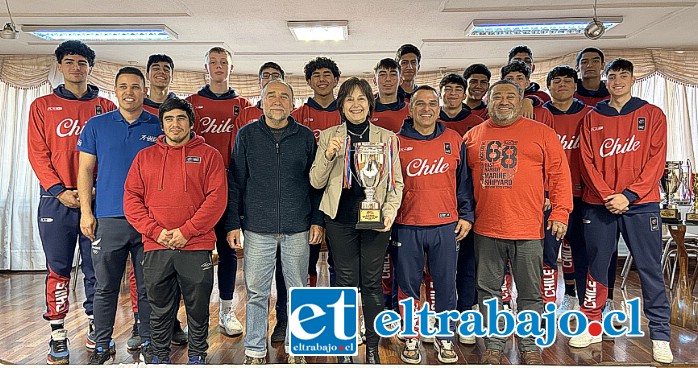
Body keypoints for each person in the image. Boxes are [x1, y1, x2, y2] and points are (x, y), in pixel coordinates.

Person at [463, 80, 572, 365]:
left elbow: (560, 176)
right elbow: (460, 184)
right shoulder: (472, 137)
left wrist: (561, 212)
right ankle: (494, 345)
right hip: (486, 228)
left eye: (510, 96)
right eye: (497, 96)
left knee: (530, 292)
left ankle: (529, 345)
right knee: (487, 291)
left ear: (522, 100)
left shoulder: (542, 134)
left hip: (529, 229)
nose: (503, 101)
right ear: (488, 100)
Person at [572, 58, 673, 364]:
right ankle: (592, 324)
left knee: (650, 269)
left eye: (622, 76)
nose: (617, 81)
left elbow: (656, 161)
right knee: (596, 268)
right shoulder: (591, 117)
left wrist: (628, 195)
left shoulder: (652, 114)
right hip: (599, 204)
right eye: (612, 76)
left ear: (632, 79)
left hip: (640, 206)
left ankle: (660, 334)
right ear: (605, 80)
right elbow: (586, 162)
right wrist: (607, 195)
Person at [27, 40, 116, 365]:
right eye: (69, 62)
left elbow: (111, 154)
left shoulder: (106, 107)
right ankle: (58, 333)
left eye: (82, 62)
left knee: (98, 270)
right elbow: (37, 153)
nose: (76, 67)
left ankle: (97, 325)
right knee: (58, 269)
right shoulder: (41, 105)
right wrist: (59, 189)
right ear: (60, 66)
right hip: (55, 201)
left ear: (90, 67)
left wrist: (95, 191)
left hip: (97, 201)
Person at [226, 79, 323, 365]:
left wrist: (318, 220)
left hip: (298, 227)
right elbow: (236, 181)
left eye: (284, 96)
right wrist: (233, 222)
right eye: (271, 96)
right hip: (257, 229)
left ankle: (298, 348)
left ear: (293, 104)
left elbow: (316, 184)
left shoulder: (306, 137)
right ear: (262, 102)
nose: (277, 101)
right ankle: (255, 351)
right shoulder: (247, 135)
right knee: (256, 292)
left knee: (298, 291)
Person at [124, 97, 226, 365]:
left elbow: (216, 200)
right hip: (157, 245)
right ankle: (159, 355)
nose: (175, 124)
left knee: (198, 305)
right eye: (168, 119)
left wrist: (186, 231)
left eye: (181, 118)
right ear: (162, 124)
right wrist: (155, 232)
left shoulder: (210, 156)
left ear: (191, 123)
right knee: (158, 308)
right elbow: (131, 199)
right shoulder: (144, 158)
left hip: (196, 245)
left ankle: (197, 354)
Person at [310, 77, 404, 364]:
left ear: (369, 104)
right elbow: (316, 181)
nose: (355, 104)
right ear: (341, 105)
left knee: (373, 283)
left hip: (376, 218)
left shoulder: (387, 137)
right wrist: (328, 154)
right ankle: (344, 347)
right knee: (346, 283)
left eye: (361, 98)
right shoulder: (328, 136)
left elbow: (396, 183)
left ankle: (373, 347)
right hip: (339, 219)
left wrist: (389, 212)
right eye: (349, 99)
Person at [77, 67, 162, 364]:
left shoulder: (159, 125)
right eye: (123, 86)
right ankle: (102, 344)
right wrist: (86, 212)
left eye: (136, 86)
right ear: (115, 90)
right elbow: (85, 170)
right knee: (105, 287)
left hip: (150, 222)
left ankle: (149, 340)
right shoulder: (96, 125)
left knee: (150, 287)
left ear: (144, 90)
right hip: (109, 219)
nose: (129, 92)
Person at [395, 86, 474, 364]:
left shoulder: (454, 139)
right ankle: (411, 337)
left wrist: (467, 215)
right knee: (408, 285)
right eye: (420, 103)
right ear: (410, 109)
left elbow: (464, 183)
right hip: (408, 225)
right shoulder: (397, 141)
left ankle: (444, 338)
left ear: (439, 109)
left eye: (432, 103)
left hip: (445, 226)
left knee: (445, 284)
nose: (426, 108)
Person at [186, 47, 251, 337]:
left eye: (223, 62)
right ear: (205, 67)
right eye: (213, 62)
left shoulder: (244, 104)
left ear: (231, 67)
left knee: (227, 251)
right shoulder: (191, 103)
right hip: (197, 191)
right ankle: (194, 314)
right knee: (195, 254)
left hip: (230, 189)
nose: (218, 66)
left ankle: (226, 310)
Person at [124, 52, 187, 350]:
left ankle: (172, 323)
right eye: (155, 69)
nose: (161, 73)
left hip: (178, 214)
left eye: (166, 69)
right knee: (143, 274)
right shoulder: (137, 109)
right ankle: (141, 324)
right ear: (148, 76)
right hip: (143, 209)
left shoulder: (178, 109)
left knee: (176, 276)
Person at [541, 66, 593, 313]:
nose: (562, 85)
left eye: (567, 81)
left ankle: (582, 303)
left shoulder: (590, 115)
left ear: (575, 86)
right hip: (549, 199)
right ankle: (547, 305)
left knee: (582, 253)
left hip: (583, 196)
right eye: (556, 81)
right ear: (548, 87)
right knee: (548, 255)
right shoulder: (539, 116)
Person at [292, 56, 341, 291]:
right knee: (307, 257)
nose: (322, 80)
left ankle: (340, 311)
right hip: (305, 195)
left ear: (336, 80)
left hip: (339, 194)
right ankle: (307, 305)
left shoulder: (346, 113)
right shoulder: (298, 115)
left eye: (327, 75)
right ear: (309, 82)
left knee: (339, 257)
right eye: (316, 76)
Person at [501, 61, 553, 126]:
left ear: (527, 83)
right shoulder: (493, 113)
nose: (514, 82)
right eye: (509, 79)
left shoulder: (543, 113)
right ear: (502, 83)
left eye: (519, 78)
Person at [237, 62, 285, 127]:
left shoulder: (293, 113)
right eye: (265, 76)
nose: (270, 79)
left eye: (275, 76)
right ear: (259, 84)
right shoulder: (246, 114)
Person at [371, 58, 410, 133]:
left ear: (401, 80)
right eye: (382, 74)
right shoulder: (365, 111)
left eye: (393, 74)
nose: (388, 79)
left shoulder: (411, 110)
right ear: (374, 81)